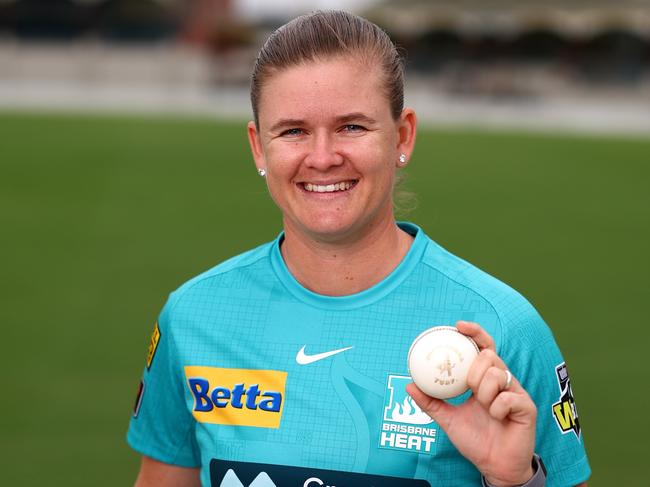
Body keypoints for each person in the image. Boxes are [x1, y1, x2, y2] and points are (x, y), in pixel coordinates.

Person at [127, 10, 591, 487]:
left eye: (352, 127)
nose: (323, 158)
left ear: (403, 135)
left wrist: (513, 480)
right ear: (258, 148)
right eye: (293, 131)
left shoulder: (502, 327)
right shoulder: (194, 317)